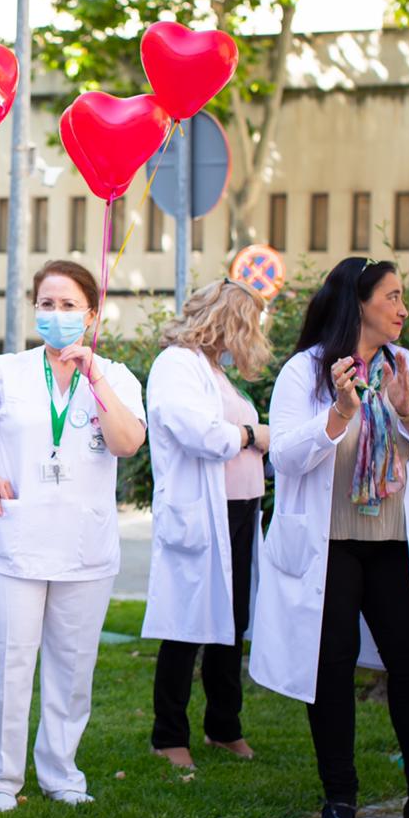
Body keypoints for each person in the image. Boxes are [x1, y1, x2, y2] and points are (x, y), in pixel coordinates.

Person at [250, 257, 409, 818]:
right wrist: (338, 413)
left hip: (395, 544)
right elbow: (285, 457)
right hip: (327, 544)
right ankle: (340, 800)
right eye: (392, 296)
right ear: (359, 302)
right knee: (331, 668)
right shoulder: (304, 373)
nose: (403, 308)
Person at [0, 259, 147, 812]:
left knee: (71, 668)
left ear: (91, 313)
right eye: (46, 304)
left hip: (84, 550)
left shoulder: (115, 376)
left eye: (67, 306)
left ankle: (62, 773)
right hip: (15, 545)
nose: (56, 315)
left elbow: (128, 442)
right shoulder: (8, 372)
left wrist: (96, 379)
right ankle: (0, 780)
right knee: (6, 667)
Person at [143, 280, 270, 769]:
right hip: (202, 513)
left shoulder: (216, 370)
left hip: (237, 510)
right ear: (231, 321)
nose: (254, 334)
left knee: (229, 624)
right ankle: (168, 734)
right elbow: (199, 432)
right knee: (186, 625)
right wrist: (252, 434)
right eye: (251, 323)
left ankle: (224, 726)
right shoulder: (178, 364)